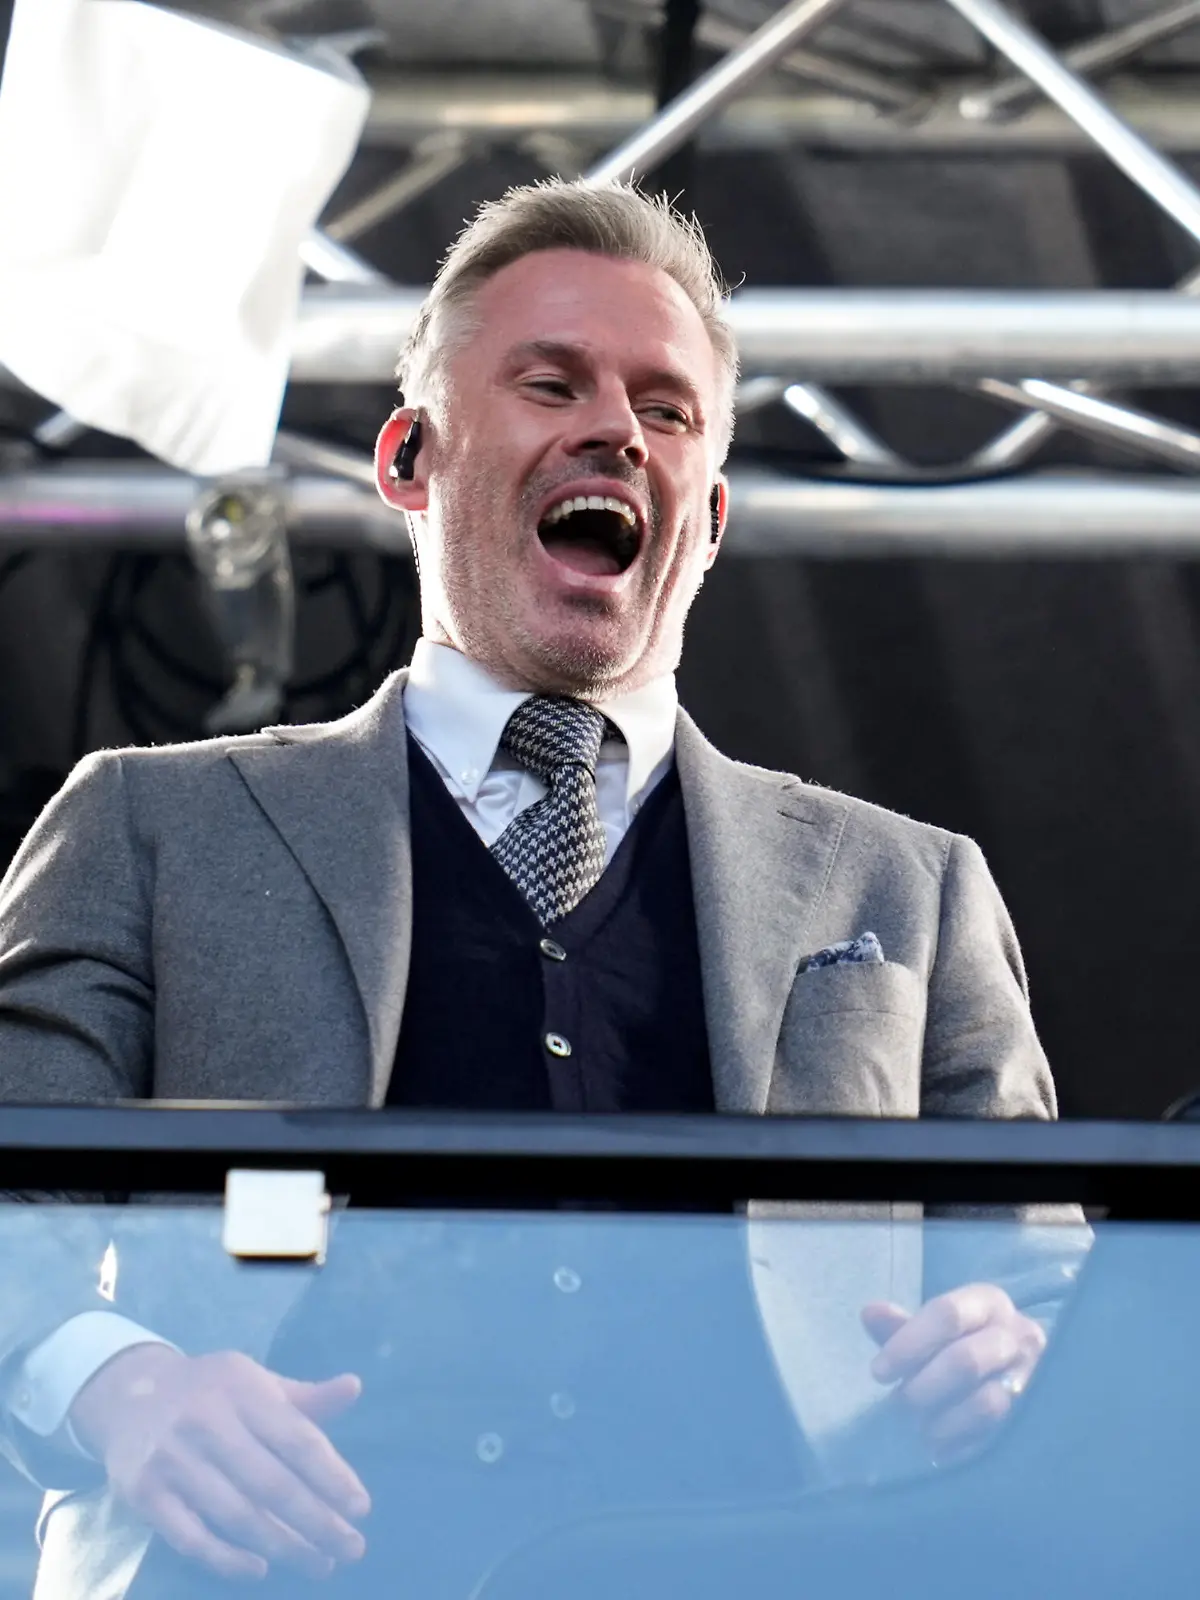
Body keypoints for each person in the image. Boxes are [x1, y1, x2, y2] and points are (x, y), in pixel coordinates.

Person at [0, 180, 1082, 1598]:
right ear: (407, 455)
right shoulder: (150, 825)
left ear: (709, 518)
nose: (616, 429)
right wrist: (115, 1384)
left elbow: (1069, 1292)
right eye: (550, 381)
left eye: (668, 409)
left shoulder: (910, 884)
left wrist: (1018, 1351)